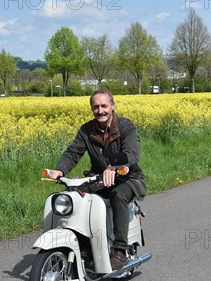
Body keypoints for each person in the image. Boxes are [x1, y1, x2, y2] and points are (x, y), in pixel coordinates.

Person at [48, 89, 146, 270]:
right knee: (75, 197)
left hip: (129, 177)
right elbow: (73, 152)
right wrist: (60, 170)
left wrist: (114, 167)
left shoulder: (126, 126)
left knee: (118, 195)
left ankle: (120, 251)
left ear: (113, 106)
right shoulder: (87, 130)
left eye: (104, 106)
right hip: (98, 178)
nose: (100, 111)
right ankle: (85, 248)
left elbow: (131, 153)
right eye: (96, 107)